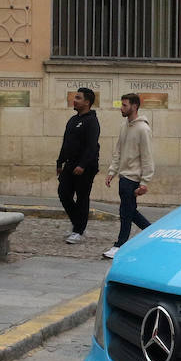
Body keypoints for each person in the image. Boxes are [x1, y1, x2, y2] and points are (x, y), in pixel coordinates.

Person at [103, 92, 155, 260]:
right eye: (121, 105)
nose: (121, 108)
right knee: (130, 211)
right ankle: (154, 234)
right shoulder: (124, 126)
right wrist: (112, 171)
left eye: (125, 105)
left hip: (133, 178)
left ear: (134, 106)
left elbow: (147, 157)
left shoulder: (143, 129)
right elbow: (118, 151)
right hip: (123, 176)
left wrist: (145, 181)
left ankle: (120, 245)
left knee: (126, 212)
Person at [56, 87, 100, 244]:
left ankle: (78, 230)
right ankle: (78, 223)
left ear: (87, 102)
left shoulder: (92, 122)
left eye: (78, 98)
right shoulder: (72, 120)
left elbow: (91, 146)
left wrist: (82, 165)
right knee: (63, 193)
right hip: (69, 165)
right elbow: (65, 143)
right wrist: (59, 162)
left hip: (86, 167)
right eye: (75, 97)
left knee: (82, 197)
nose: (74, 100)